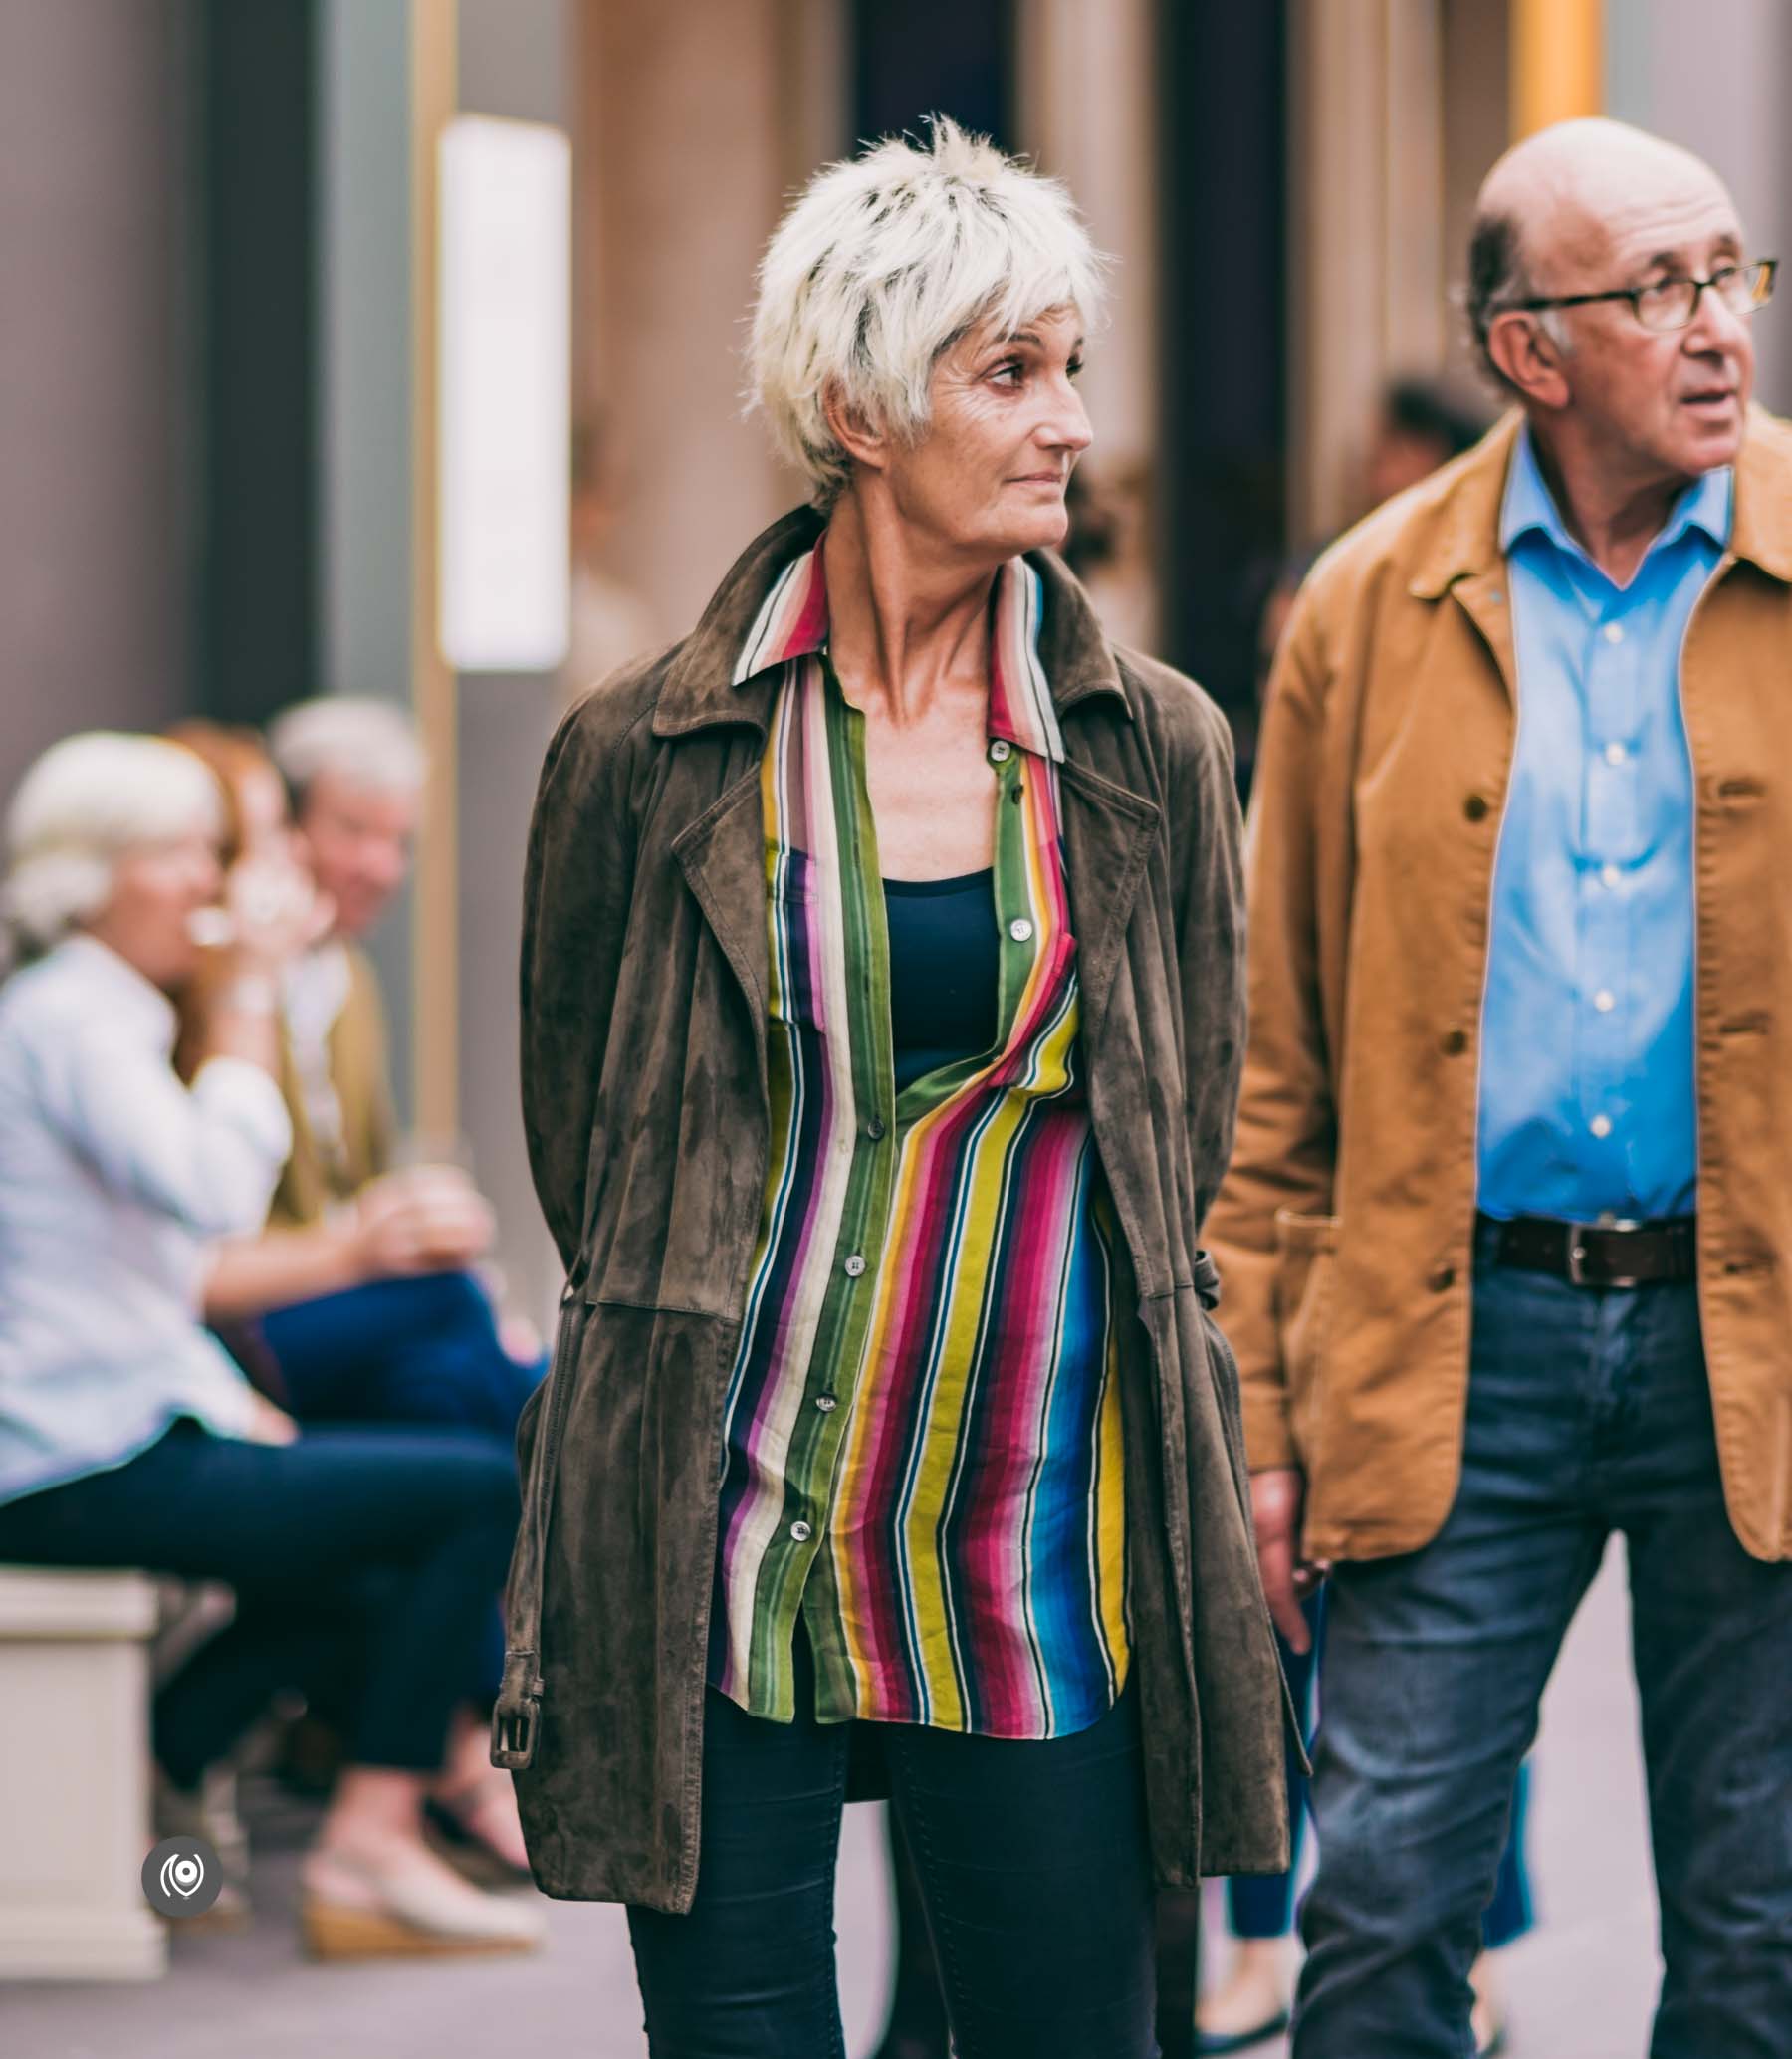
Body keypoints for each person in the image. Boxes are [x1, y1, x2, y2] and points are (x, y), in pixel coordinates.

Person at [493, 116, 1288, 2057]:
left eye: (1069, 369)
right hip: (733, 1531)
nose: (1071, 424)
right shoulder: (654, 746)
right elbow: (585, 1133)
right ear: (858, 403)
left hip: (1030, 1545)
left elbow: (1197, 1118)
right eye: (1009, 372)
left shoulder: (1149, 742)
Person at [1206, 116, 1792, 2058]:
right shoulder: (1365, 613)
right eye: (1659, 290)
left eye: (1733, 276)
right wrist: (1267, 1418)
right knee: (1375, 1919)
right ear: (1528, 347)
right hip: (1457, 1332)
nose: (1720, 330)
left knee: (1760, 1931)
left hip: (1756, 1332)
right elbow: (1272, 1066)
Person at [0, 732, 543, 1958]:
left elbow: (129, 1290)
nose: (212, 880)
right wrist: (247, 992)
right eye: (183, 851)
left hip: (112, 1435)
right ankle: (372, 1839)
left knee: (378, 1561)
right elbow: (216, 1192)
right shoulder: (74, 1017)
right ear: (91, 875)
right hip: (72, 1465)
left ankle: (167, 1768)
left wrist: (234, 1409)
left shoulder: (90, 1015)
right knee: (472, 1492)